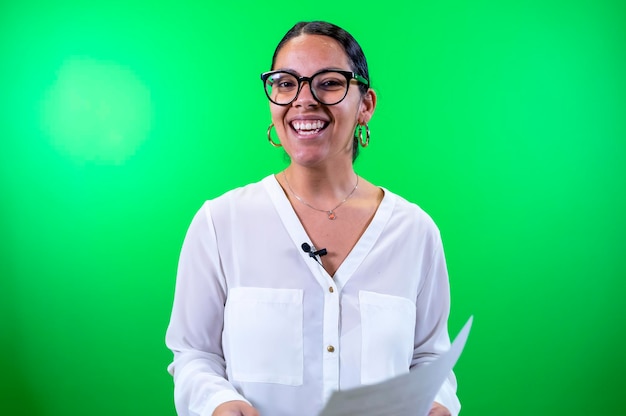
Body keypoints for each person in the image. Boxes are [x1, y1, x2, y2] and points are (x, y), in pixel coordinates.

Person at [166, 21, 460, 416]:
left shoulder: (415, 231)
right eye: (286, 83)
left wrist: (438, 402)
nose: (303, 100)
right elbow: (194, 353)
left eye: (329, 82)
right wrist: (219, 402)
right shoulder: (221, 222)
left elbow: (430, 357)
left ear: (366, 105)